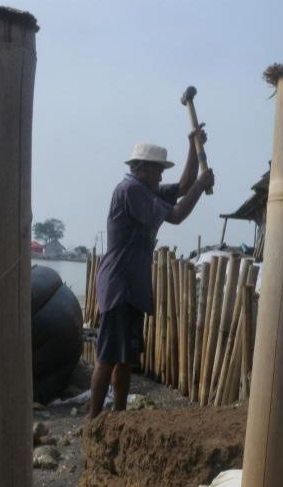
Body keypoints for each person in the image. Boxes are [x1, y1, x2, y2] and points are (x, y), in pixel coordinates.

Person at [90, 129, 214, 417]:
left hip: (132, 287)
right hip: (120, 285)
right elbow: (177, 214)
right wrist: (201, 184)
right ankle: (93, 421)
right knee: (108, 357)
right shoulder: (131, 190)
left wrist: (193, 149)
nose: (161, 177)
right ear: (143, 169)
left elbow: (182, 186)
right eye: (158, 171)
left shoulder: (145, 189)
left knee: (125, 358)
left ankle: (119, 416)